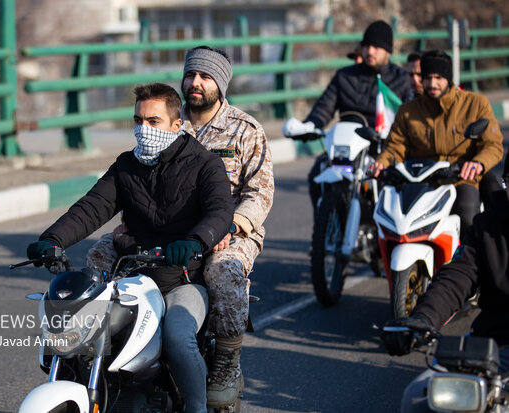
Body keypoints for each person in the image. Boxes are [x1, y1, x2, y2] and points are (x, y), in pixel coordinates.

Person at [27, 82, 234, 413]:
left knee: (179, 339)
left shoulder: (205, 164)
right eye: (138, 121)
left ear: (176, 125)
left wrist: (193, 241)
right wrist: (52, 239)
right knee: (88, 328)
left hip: (181, 278)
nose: (144, 129)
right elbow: (91, 207)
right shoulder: (127, 165)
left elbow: (221, 212)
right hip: (132, 276)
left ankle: (197, 409)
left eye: (153, 122)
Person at [179, 45, 274, 408]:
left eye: (205, 77)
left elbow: (260, 192)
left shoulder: (245, 130)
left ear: (220, 83)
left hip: (234, 231)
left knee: (223, 271)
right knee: (110, 254)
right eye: (191, 75)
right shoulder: (168, 123)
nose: (196, 83)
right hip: (176, 228)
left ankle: (227, 361)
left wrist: (231, 227)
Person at [381, 152, 509, 413]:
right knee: (417, 399)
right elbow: (456, 277)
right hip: (493, 344)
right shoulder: (487, 226)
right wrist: (422, 319)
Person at [282, 20, 411, 215]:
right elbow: (324, 108)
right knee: (317, 172)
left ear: (388, 51)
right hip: (347, 147)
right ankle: (324, 224)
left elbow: (411, 116)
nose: (370, 51)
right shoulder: (345, 76)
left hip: (384, 147)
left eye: (376, 47)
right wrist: (309, 125)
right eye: (367, 46)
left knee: (397, 180)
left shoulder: (401, 78)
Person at [369, 50, 504, 233]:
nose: (432, 84)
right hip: (420, 183)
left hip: (460, 180)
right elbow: (395, 146)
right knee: (390, 218)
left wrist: (478, 163)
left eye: (439, 77)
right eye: (428, 78)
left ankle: (469, 259)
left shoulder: (475, 104)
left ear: (449, 78)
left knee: (466, 212)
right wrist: (381, 162)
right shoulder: (407, 111)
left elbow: (492, 144)